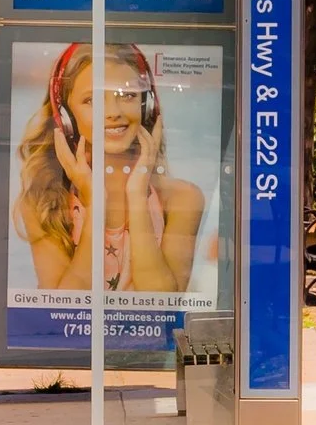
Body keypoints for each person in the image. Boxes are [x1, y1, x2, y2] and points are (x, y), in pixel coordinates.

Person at [15, 40, 204, 295]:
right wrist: (94, 202)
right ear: (66, 117)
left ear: (147, 107)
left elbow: (161, 302)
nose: (113, 112)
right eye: (92, 100)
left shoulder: (183, 199)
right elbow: (63, 303)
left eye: (127, 95)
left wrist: (137, 195)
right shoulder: (43, 203)